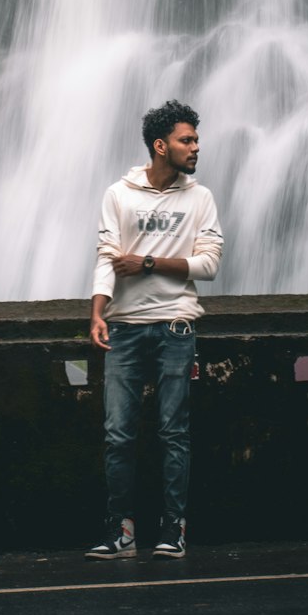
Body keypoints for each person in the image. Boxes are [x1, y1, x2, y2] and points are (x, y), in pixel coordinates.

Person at [85, 99, 223, 561]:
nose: (196, 147)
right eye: (187, 140)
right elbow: (108, 257)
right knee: (118, 433)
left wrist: (146, 262)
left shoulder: (200, 198)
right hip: (124, 328)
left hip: (176, 326)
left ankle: (173, 529)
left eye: (196, 139)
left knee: (173, 432)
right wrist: (98, 312)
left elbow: (208, 266)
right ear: (160, 146)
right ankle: (121, 531)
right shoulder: (118, 195)